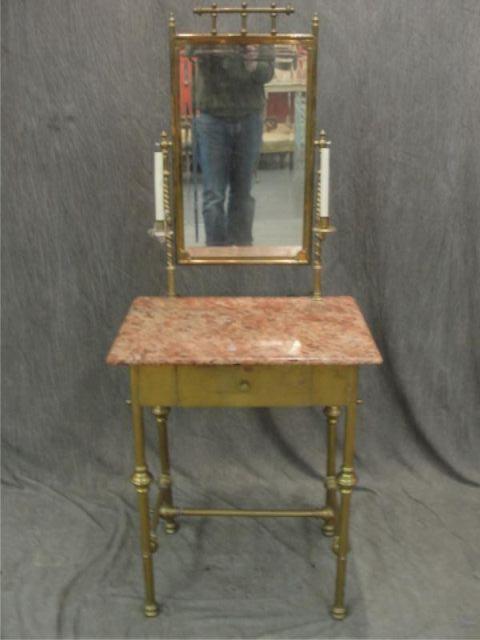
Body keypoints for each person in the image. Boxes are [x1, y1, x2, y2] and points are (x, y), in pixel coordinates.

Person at [191, 44, 275, 246]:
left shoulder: (259, 23)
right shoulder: (207, 17)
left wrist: (253, 65)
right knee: (214, 196)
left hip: (248, 117)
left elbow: (268, 71)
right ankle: (216, 257)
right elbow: (189, 48)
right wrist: (213, 48)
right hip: (213, 116)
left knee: (243, 193)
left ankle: (242, 254)